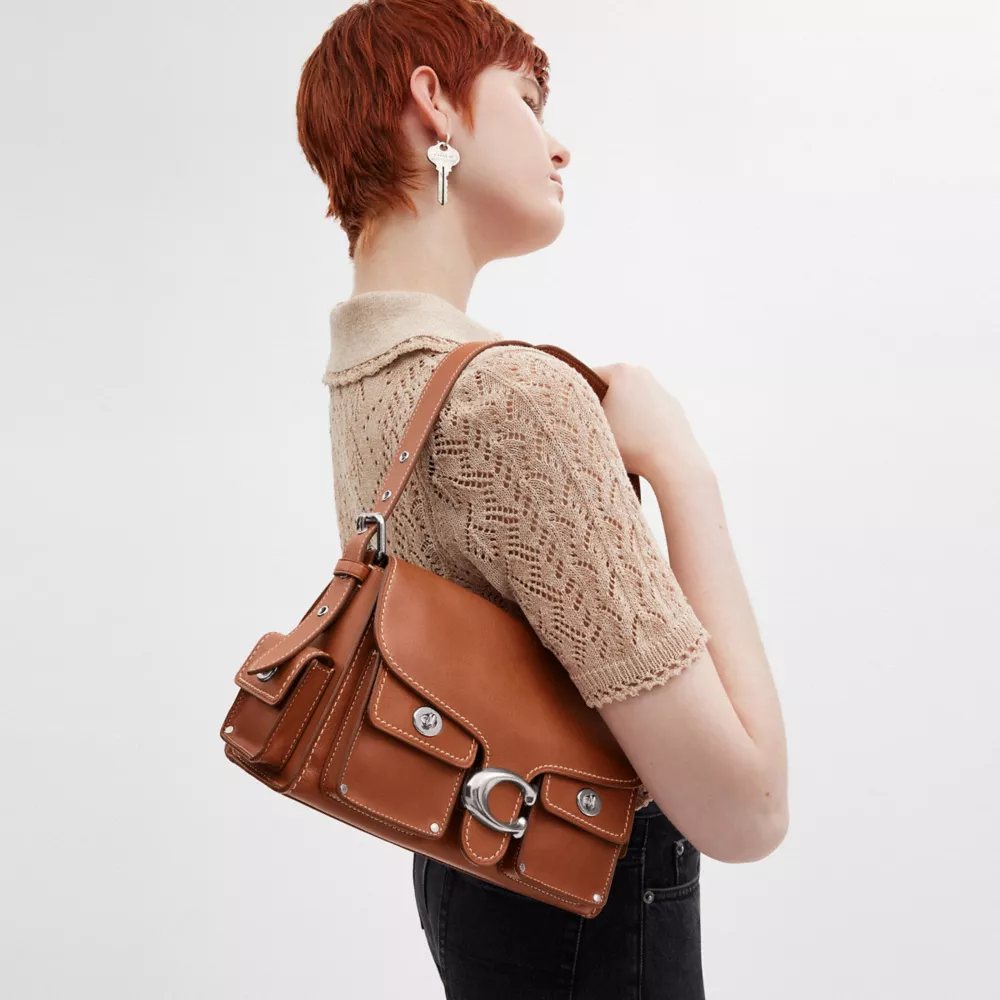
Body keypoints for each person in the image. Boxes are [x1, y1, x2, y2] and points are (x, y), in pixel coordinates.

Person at [296, 2, 788, 996]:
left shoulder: (364, 371)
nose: (559, 144)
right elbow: (746, 810)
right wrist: (680, 465)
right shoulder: (513, 397)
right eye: (526, 102)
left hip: (471, 877)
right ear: (434, 104)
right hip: (581, 917)